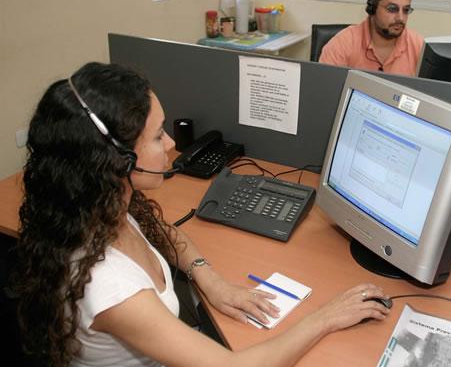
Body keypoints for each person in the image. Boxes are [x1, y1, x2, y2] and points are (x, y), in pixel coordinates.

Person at [12, 62, 391, 367]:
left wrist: (211, 281)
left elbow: (160, 230)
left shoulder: (100, 207)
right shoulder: (110, 288)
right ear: (118, 160)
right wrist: (325, 317)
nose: (173, 144)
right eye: (159, 136)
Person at [319, 0, 424, 76]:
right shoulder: (343, 43)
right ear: (372, 9)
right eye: (392, 9)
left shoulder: (417, 45)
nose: (400, 18)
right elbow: (324, 87)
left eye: (406, 10)